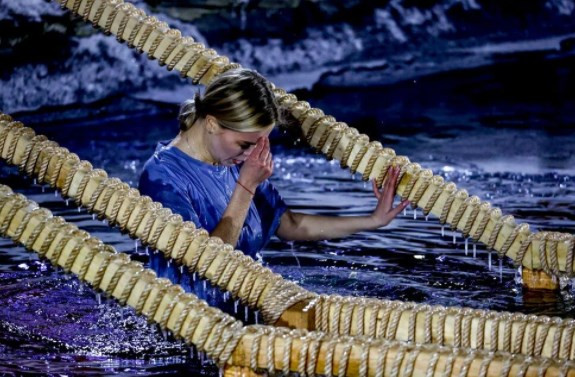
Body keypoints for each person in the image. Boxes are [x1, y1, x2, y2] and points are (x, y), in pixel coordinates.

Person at [138, 68, 409, 261]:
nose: (250, 155)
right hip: (195, 327)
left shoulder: (232, 158)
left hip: (246, 312)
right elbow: (206, 261)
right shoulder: (162, 177)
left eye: (258, 144)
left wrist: (374, 220)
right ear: (211, 123)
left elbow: (289, 225)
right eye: (245, 144)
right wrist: (245, 186)